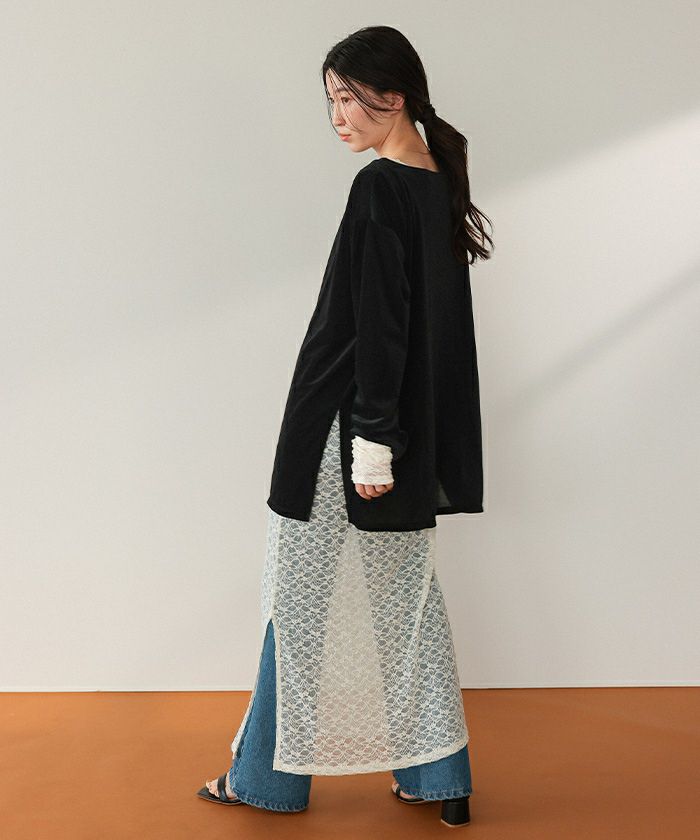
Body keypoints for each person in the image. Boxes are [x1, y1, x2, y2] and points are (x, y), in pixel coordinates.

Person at [197, 24, 493, 829]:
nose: (336, 116)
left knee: (293, 603)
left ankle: (265, 782)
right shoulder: (436, 182)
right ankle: (441, 779)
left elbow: (380, 328)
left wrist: (370, 443)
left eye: (346, 98)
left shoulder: (380, 188)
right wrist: (391, 439)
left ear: (392, 96)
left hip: (346, 432)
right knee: (407, 605)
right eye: (328, 100)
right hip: (402, 434)